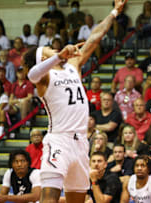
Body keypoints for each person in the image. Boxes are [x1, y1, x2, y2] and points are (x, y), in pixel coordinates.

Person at [23, 0, 126, 202]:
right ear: (42, 60)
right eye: (46, 51)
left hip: (80, 142)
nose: (52, 49)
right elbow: (32, 75)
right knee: (49, 198)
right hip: (59, 140)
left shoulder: (73, 65)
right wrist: (58, 56)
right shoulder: (44, 77)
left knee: (77, 199)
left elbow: (94, 38)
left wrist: (114, 12)